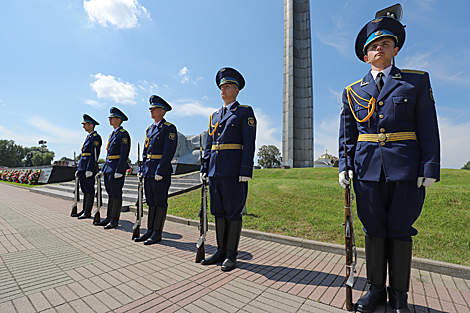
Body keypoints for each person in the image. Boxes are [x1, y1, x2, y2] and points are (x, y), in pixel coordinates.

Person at [338, 15, 440, 313]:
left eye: (386, 43)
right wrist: (345, 164)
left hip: (406, 168)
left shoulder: (416, 81)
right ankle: (374, 290)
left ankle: (399, 296)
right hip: (367, 168)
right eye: (374, 46)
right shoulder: (352, 91)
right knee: (373, 229)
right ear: (365, 56)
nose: (379, 48)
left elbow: (428, 126)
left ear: (396, 49)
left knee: (399, 229)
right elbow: (348, 134)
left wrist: (429, 166)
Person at [200, 67, 256, 271]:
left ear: (237, 90)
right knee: (218, 212)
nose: (223, 90)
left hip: (234, 171)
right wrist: (204, 167)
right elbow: (209, 144)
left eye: (228, 86)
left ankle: (232, 254)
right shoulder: (214, 116)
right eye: (221, 87)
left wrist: (245, 170)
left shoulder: (244, 112)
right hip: (215, 171)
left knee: (233, 213)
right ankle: (221, 251)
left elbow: (249, 143)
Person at [134, 95, 178, 245]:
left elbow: (168, 151)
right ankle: (150, 230)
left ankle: (157, 233)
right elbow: (146, 151)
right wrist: (142, 168)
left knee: (160, 202)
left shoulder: (168, 128)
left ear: (163, 111)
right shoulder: (150, 129)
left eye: (155, 109)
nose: (151, 111)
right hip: (149, 170)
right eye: (151, 109)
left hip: (160, 171)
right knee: (151, 202)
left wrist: (161, 170)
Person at [94, 107, 131, 229]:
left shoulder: (123, 134)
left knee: (116, 194)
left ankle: (115, 219)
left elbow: (124, 153)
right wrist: (103, 169)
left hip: (116, 169)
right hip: (109, 168)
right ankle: (109, 217)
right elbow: (108, 154)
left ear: (119, 120)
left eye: (112, 117)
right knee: (110, 194)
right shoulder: (112, 134)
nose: (110, 119)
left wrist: (120, 170)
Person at [72, 114, 102, 219]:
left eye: (85, 124)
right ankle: (85, 209)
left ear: (91, 125)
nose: (83, 126)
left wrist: (89, 169)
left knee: (89, 190)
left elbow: (94, 155)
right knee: (84, 190)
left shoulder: (96, 137)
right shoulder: (88, 137)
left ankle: (88, 211)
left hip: (88, 167)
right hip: (83, 167)